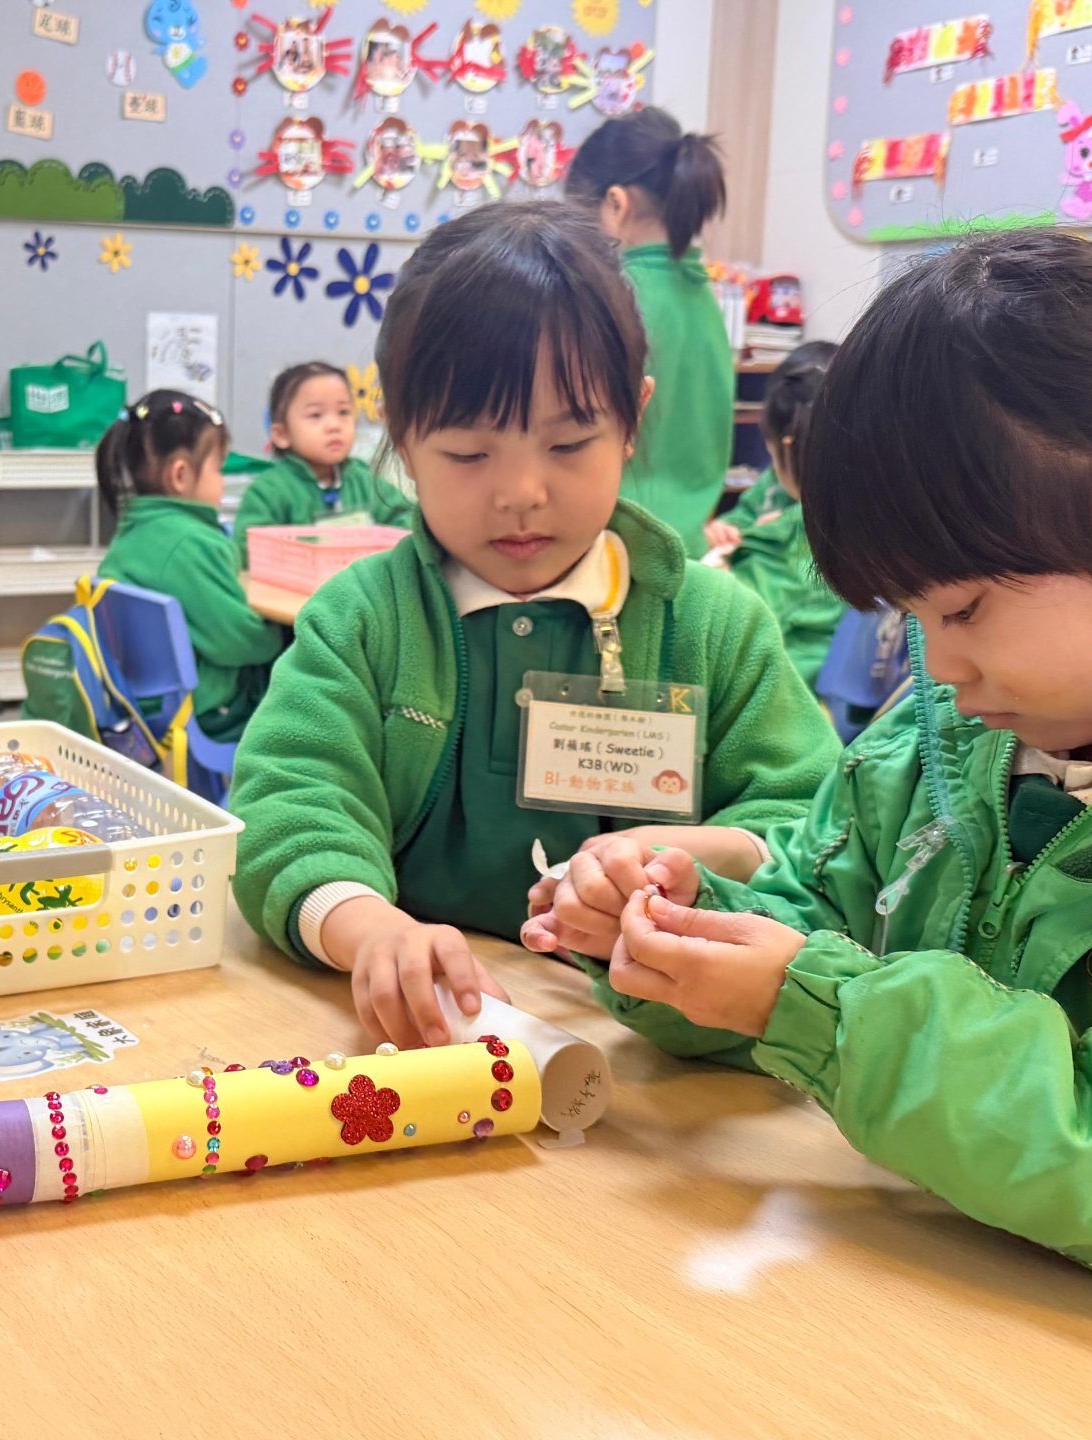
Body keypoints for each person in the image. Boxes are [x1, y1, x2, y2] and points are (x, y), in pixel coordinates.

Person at [547, 209, 1092, 1312]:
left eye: (963, 609)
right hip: (933, 1300)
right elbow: (821, 914)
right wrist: (685, 940)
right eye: (912, 616)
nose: (937, 662)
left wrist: (816, 1009)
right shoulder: (960, 730)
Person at [229, 200, 837, 1050]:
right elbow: (288, 804)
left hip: (652, 1048)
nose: (521, 493)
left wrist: (693, 858)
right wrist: (372, 931)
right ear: (400, 440)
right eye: (469, 454)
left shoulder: (713, 625)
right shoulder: (363, 620)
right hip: (427, 1037)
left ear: (633, 422)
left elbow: (817, 826)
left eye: (569, 443)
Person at [567, 107, 734, 546]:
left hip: (616, 544)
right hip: (691, 545)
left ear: (616, 205)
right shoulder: (704, 293)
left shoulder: (611, 297)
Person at [92, 390, 284, 743]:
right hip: (209, 711)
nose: (222, 480)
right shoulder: (191, 543)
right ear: (180, 475)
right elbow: (241, 643)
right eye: (218, 469)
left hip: (146, 700)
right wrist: (283, 631)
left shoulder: (133, 532)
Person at [706, 341, 844, 687]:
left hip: (796, 680)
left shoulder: (813, 538)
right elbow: (745, 514)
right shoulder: (775, 484)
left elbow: (740, 626)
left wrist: (765, 542)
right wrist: (727, 529)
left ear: (784, 442)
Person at [233, 361, 416, 561]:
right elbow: (248, 547)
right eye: (315, 415)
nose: (334, 425)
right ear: (281, 434)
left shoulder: (363, 480)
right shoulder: (268, 491)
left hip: (360, 578)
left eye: (343, 412)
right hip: (295, 580)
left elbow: (406, 518)